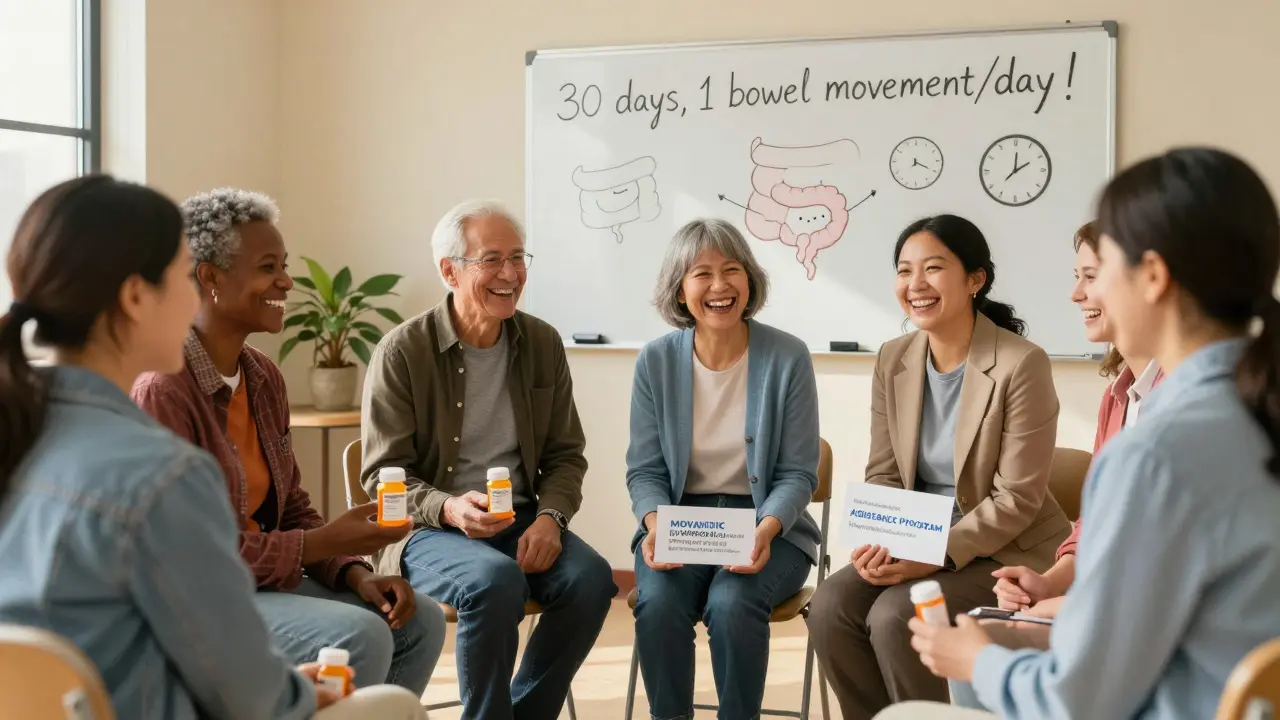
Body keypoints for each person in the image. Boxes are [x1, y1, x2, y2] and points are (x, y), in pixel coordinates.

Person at [0, 175, 427, 719]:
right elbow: (244, 694)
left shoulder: (23, 431)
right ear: (136, 297)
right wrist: (295, 692)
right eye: (182, 275)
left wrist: (342, 573)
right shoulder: (160, 473)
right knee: (393, 707)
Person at [899, 147, 1280, 720]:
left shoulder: (1156, 454)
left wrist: (977, 659)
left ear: (1152, 276)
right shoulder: (1251, 409)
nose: (1089, 294)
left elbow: (1080, 698)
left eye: (1101, 269)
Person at [131, 188, 444, 695]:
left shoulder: (262, 377)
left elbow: (292, 506)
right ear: (209, 277)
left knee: (417, 620)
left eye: (285, 265)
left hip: (268, 579)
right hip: (204, 597)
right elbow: (188, 556)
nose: (286, 281)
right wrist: (325, 542)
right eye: (268, 267)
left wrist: (354, 573)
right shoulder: (164, 389)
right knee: (360, 633)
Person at [805, 214, 1071, 720]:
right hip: (915, 536)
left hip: (1003, 548)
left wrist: (937, 554)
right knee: (831, 606)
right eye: (904, 271)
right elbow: (883, 472)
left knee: (895, 616)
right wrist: (879, 541)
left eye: (933, 268)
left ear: (976, 280)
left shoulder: (1021, 363)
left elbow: (1016, 498)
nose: (915, 285)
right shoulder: (894, 358)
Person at [360, 198, 616, 719]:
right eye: (492, 259)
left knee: (591, 581)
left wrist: (551, 518)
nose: (510, 274)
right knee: (494, 584)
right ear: (448, 270)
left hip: (520, 519)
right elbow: (383, 477)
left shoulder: (542, 342)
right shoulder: (402, 352)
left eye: (518, 258)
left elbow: (567, 455)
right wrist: (451, 509)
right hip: (426, 531)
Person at [944, 221, 1166, 709]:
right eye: (1076, 275)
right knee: (981, 636)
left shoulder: (1182, 407)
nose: (1075, 293)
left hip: (1143, 620)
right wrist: (1051, 580)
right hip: (1109, 602)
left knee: (985, 646)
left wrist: (1073, 605)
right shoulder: (1119, 396)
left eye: (1090, 276)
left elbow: (1161, 560)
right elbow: (1095, 522)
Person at [626, 219, 820, 720]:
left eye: (732, 270)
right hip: (682, 522)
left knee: (733, 606)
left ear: (750, 281)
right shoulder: (655, 361)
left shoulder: (788, 356)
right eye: (702, 274)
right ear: (680, 289)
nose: (719, 286)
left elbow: (799, 473)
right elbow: (644, 471)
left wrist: (766, 527)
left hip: (768, 525)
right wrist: (654, 524)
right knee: (660, 605)